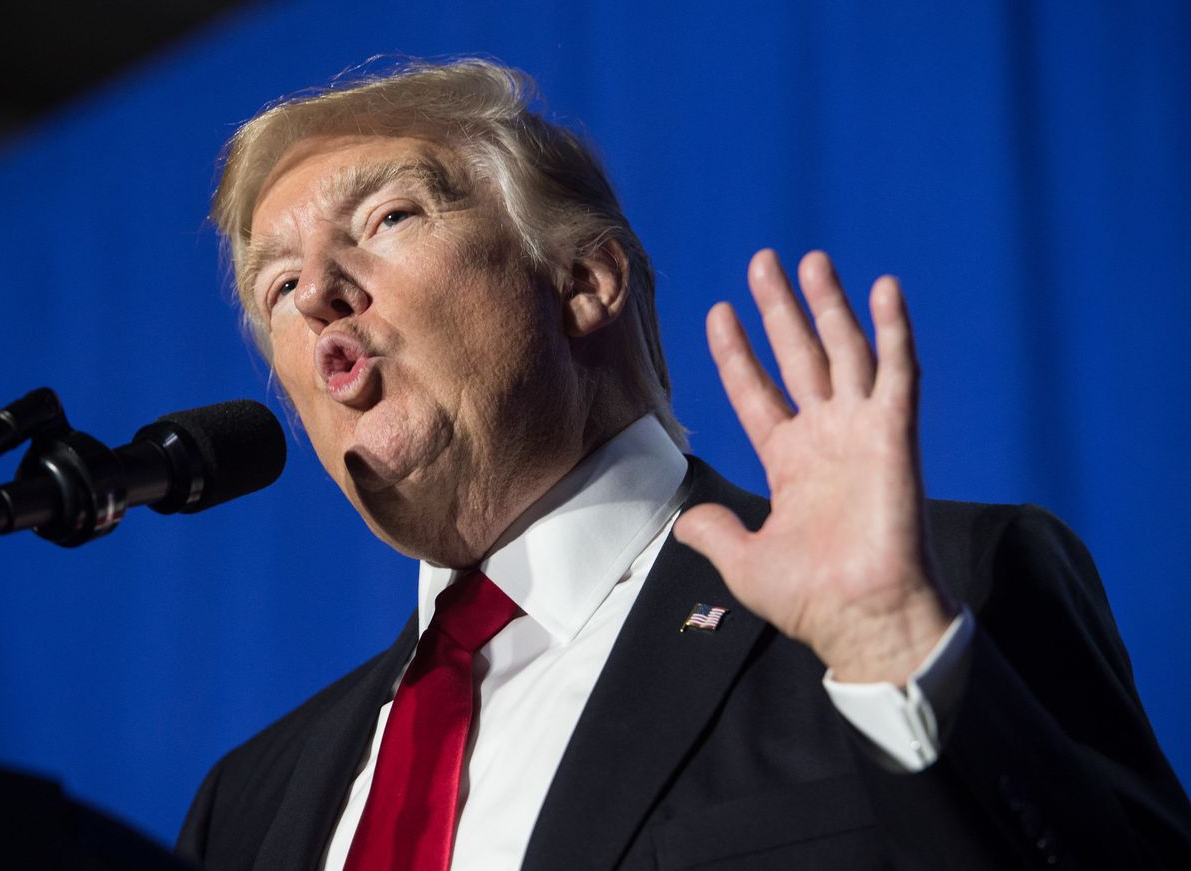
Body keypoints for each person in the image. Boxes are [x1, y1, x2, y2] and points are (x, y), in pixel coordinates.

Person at [175, 59, 1191, 870]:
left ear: (581, 280)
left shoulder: (942, 593)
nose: (315, 295)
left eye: (388, 218)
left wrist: (887, 648)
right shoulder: (249, 804)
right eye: (277, 286)